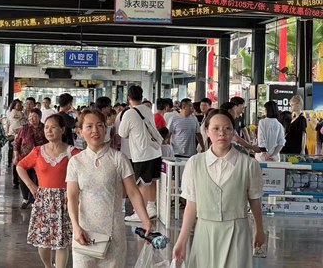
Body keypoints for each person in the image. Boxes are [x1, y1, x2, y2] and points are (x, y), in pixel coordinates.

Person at [172, 110, 266, 268]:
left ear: (233, 132)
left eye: (227, 128)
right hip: (204, 231)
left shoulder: (249, 164)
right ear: (207, 131)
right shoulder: (195, 163)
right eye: (216, 129)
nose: (222, 133)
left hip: (237, 231)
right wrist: (181, 241)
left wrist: (259, 229)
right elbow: (191, 205)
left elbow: (254, 200)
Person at [67, 109, 152, 268]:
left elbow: (133, 192)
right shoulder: (75, 162)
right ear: (80, 132)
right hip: (84, 233)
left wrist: (146, 221)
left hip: (114, 233)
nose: (95, 131)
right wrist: (76, 227)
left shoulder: (119, 159)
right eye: (89, 127)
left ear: (105, 129)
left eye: (99, 126)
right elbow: (71, 196)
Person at [16, 114, 80, 268]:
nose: (49, 130)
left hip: (65, 201)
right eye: (46, 127)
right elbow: (20, 166)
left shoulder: (73, 152)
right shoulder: (38, 151)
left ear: (63, 130)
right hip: (43, 200)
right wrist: (32, 186)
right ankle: (48, 266)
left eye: (53, 127)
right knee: (42, 243)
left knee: (62, 243)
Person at [118, 85, 161, 221]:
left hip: (142, 153)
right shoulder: (147, 109)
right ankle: (151, 208)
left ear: (129, 98)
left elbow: (122, 133)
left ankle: (140, 213)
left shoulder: (129, 113)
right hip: (155, 151)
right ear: (141, 97)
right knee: (151, 181)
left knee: (142, 183)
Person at [13, 108, 47, 209]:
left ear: (40, 117)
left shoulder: (44, 128)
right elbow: (17, 142)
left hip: (40, 158)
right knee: (23, 178)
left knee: (36, 179)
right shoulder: (24, 128)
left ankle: (33, 199)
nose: (32, 119)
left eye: (35, 116)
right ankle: (25, 198)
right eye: (30, 116)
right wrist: (16, 156)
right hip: (24, 157)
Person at [5, 99, 26, 188]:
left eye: (20, 105)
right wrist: (7, 132)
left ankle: (18, 179)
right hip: (12, 135)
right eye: (17, 105)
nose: (19, 106)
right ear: (13, 105)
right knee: (12, 151)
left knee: (17, 154)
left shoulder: (23, 114)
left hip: (21, 136)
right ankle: (11, 161)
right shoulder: (11, 113)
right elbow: (8, 123)